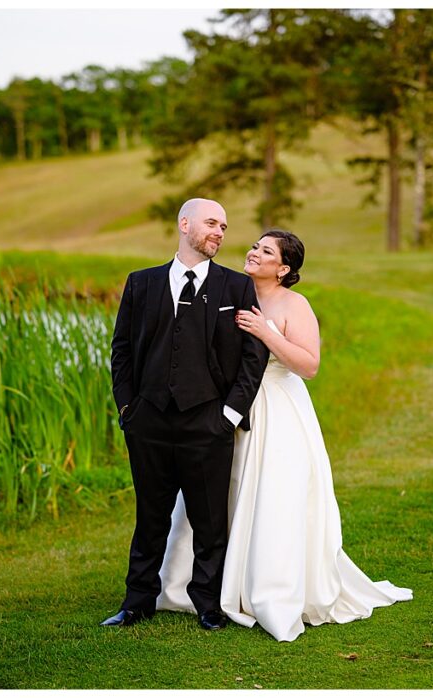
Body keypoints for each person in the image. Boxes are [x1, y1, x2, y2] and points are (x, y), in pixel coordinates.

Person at [156, 229, 412, 642]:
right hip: (222, 410)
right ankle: (195, 587)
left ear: (284, 268)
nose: (254, 252)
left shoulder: (295, 304)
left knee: (272, 497)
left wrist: (266, 331)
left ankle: (268, 590)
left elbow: (309, 365)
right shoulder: (228, 289)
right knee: (212, 493)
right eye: (255, 246)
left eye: (266, 251)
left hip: (276, 406)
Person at [104, 198, 270, 631]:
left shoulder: (235, 287)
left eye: (224, 226)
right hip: (149, 421)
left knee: (210, 520)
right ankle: (137, 602)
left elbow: (253, 357)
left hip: (208, 422)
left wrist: (229, 415)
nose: (219, 232)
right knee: (150, 516)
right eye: (212, 223)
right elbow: (121, 351)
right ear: (184, 224)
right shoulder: (141, 284)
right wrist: (128, 408)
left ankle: (208, 605)